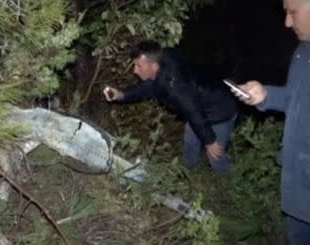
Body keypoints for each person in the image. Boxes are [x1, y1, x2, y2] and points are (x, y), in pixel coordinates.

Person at [230, 0, 310, 244]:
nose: (287, 22)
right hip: (298, 186)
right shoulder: (303, 51)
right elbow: (295, 98)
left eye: (292, 12)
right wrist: (265, 95)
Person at [103, 40, 238, 174]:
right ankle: (190, 173)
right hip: (199, 105)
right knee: (191, 141)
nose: (135, 71)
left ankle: (227, 182)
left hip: (220, 110)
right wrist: (120, 95)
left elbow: (192, 109)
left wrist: (210, 141)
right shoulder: (162, 62)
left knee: (215, 154)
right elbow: (146, 88)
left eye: (139, 66)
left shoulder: (175, 86)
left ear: (154, 65)